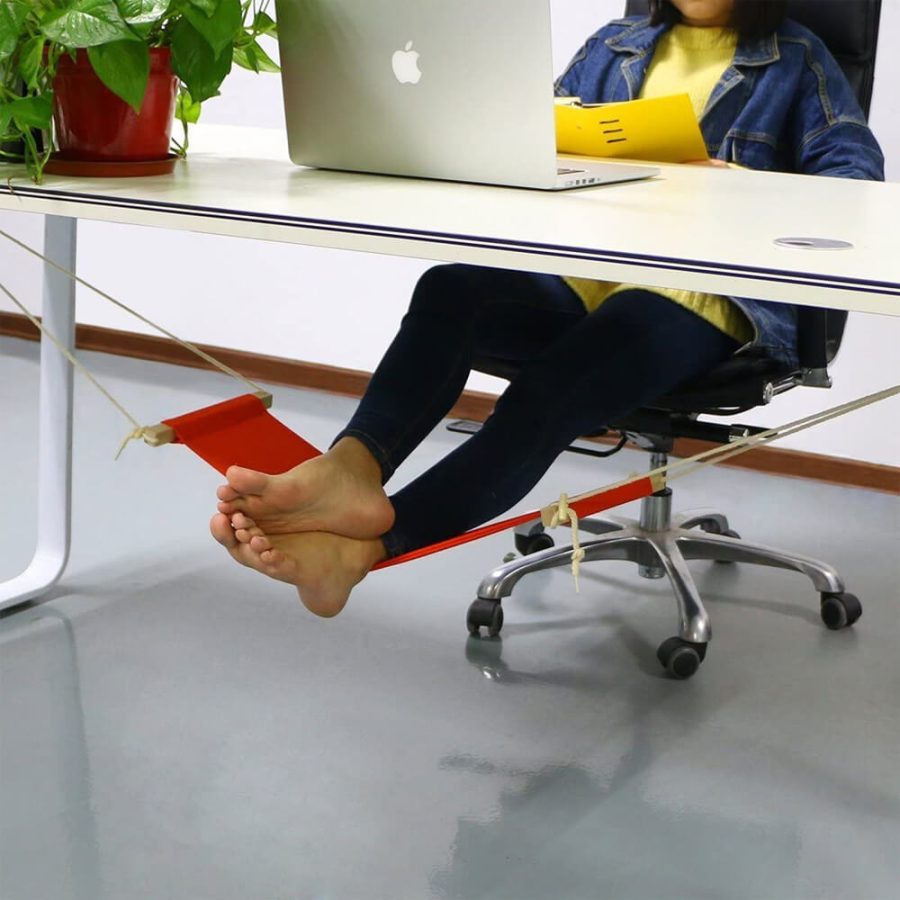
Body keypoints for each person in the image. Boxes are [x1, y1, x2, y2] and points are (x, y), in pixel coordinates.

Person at [210, 0, 884, 617]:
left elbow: (855, 181)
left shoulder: (797, 59)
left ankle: (366, 550)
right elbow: (532, 138)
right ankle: (352, 471)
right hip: (592, 274)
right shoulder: (614, 45)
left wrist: (732, 185)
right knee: (452, 289)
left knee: (556, 383)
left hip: (704, 293)